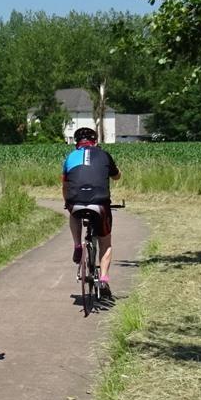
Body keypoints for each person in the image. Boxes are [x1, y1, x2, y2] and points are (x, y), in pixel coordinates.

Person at [62, 126, 121, 300]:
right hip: (100, 203)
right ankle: (103, 279)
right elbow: (117, 176)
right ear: (95, 141)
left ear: (76, 143)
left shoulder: (70, 157)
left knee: (73, 212)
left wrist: (68, 202)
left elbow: (65, 185)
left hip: (76, 201)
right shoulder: (104, 155)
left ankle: (77, 245)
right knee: (106, 242)